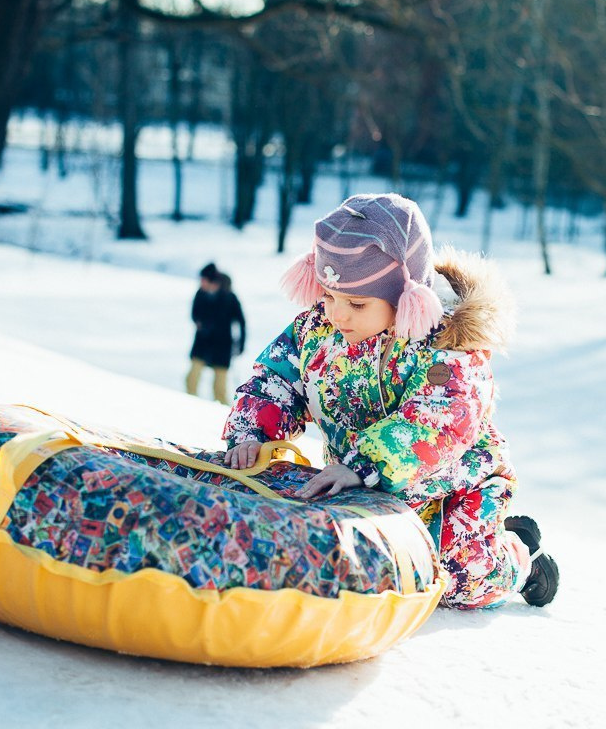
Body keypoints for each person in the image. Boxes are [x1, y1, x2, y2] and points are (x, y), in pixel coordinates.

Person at [221, 193, 559, 609]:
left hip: (456, 481)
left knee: (452, 572)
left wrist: (366, 465)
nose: (337, 314)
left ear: (404, 295)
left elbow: (439, 421)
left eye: (356, 303)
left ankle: (520, 559)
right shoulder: (321, 328)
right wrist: (252, 432)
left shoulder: (447, 347)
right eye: (328, 295)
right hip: (366, 483)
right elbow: (277, 380)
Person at [185, 263, 246, 405]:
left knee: (219, 387)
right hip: (202, 342)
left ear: (211, 280)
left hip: (222, 345)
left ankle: (223, 414)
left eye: (203, 280)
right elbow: (194, 314)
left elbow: (241, 322)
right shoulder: (200, 294)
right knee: (191, 379)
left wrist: (241, 343)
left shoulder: (229, 297)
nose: (201, 283)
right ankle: (189, 404)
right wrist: (200, 323)